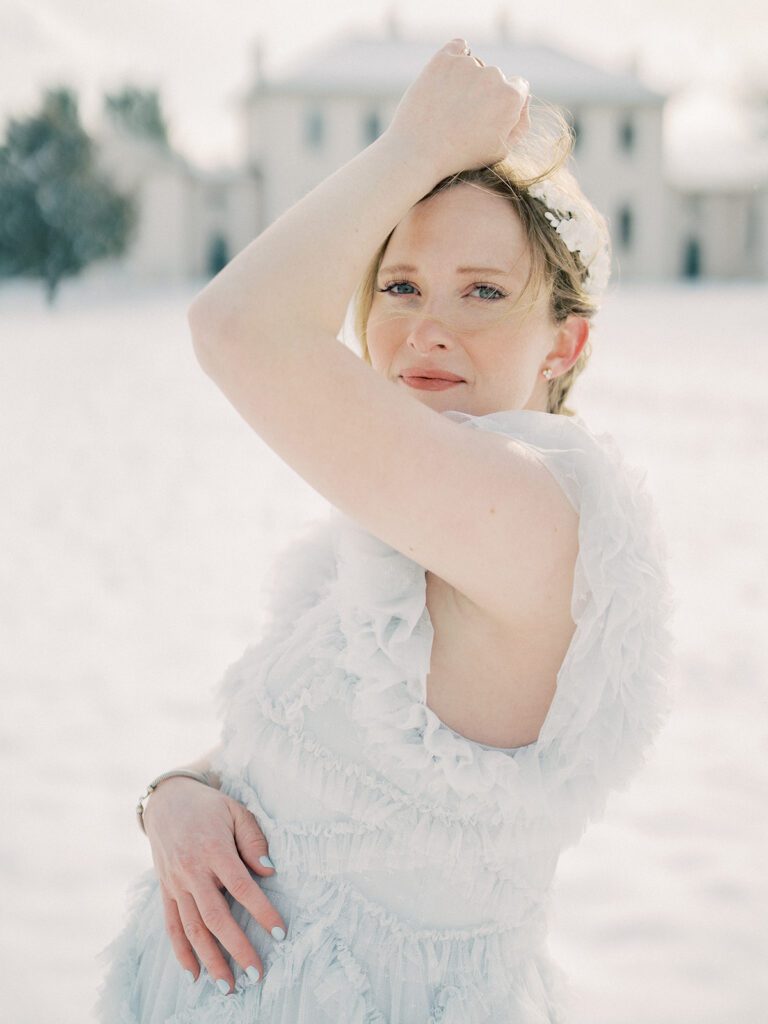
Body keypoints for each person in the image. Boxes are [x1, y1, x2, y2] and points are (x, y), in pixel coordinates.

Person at [97, 38, 674, 1023]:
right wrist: (178, 795)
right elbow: (315, 771)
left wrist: (415, 145)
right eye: (399, 286)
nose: (426, 328)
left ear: (565, 342)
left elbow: (239, 327)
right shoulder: (391, 531)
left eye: (482, 291)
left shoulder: (540, 515)